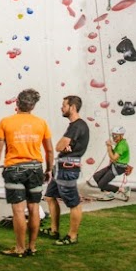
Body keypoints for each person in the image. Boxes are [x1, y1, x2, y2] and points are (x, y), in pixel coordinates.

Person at [0, 88, 53, 258]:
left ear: (17, 103)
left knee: (18, 211)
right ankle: (32, 247)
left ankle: (19, 248)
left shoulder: (5, 122)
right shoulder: (41, 123)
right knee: (34, 208)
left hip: (14, 169)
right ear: (32, 106)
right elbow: (49, 150)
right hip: (35, 169)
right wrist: (48, 169)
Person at [44, 95, 90, 245]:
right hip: (62, 166)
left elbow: (58, 146)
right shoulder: (74, 126)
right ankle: (54, 230)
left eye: (64, 105)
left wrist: (64, 146)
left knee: (73, 203)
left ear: (73, 107)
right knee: (50, 196)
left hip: (68, 168)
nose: (61, 108)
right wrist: (65, 146)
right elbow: (63, 146)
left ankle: (72, 236)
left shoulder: (77, 126)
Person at [93, 128, 132, 193]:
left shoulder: (121, 145)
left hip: (119, 168)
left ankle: (122, 190)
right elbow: (114, 154)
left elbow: (113, 158)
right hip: (114, 165)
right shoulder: (120, 143)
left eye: (116, 136)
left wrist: (108, 147)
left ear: (121, 135)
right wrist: (110, 147)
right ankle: (107, 192)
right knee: (96, 176)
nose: (114, 138)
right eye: (113, 135)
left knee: (101, 184)